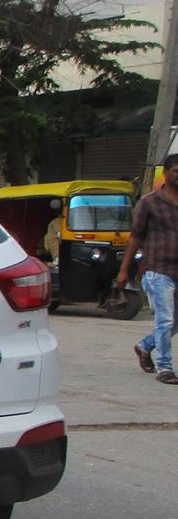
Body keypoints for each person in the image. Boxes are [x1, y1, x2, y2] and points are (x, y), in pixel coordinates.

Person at [119, 155, 178, 384]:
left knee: (174, 322)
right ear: (165, 173)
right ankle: (165, 368)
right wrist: (123, 271)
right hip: (157, 269)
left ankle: (145, 346)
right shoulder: (149, 202)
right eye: (176, 170)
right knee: (164, 320)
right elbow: (135, 238)